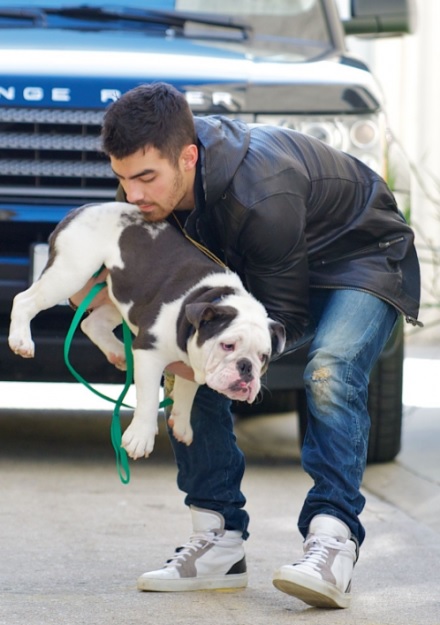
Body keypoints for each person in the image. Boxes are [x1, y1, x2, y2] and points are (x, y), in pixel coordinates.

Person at [71, 82, 421, 609]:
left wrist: (215, 360)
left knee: (329, 367)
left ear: (187, 157)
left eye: (146, 178)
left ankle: (332, 540)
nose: (134, 195)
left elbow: (287, 317)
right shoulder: (152, 188)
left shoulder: (261, 193)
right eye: (122, 180)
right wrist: (91, 286)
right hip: (266, 260)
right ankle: (218, 541)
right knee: (196, 353)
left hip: (357, 257)